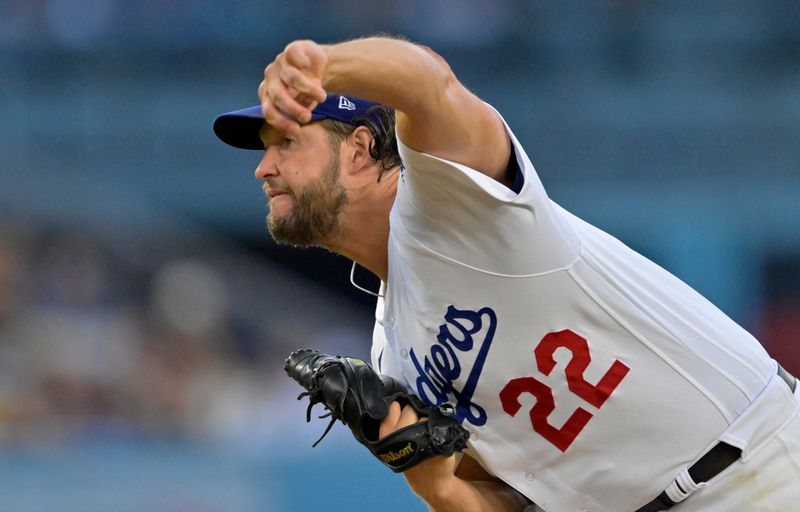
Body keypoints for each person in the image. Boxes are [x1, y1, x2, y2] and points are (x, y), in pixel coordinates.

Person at [213, 37, 800, 512]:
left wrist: (325, 63)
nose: (264, 167)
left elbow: (430, 84)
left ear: (361, 147)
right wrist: (430, 479)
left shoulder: (450, 205)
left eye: (286, 141)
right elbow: (506, 503)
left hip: (755, 471)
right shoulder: (392, 353)